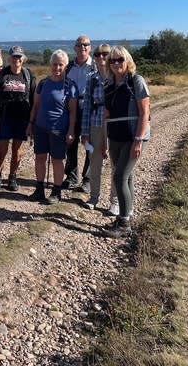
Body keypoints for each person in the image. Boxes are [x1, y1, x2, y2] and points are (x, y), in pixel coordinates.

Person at [102, 46, 150, 238]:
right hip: (115, 136)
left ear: (127, 61)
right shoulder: (108, 85)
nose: (115, 63)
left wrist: (138, 140)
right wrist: (105, 142)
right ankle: (126, 215)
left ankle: (124, 224)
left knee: (119, 177)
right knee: (126, 177)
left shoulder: (136, 81)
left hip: (133, 136)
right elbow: (106, 115)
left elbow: (145, 112)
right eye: (112, 60)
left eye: (119, 59)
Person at [26, 49, 78, 204]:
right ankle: (39, 189)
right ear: (50, 65)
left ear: (66, 65)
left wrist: (71, 131)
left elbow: (73, 112)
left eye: (61, 65)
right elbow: (35, 106)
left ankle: (56, 191)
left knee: (57, 160)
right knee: (40, 158)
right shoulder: (43, 83)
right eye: (55, 64)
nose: (57, 68)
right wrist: (30, 124)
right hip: (40, 127)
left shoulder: (70, 85)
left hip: (59, 128)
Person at [0, 46, 36, 192]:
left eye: (19, 57)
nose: (17, 59)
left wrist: (31, 122)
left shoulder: (28, 75)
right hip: (4, 118)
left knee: (18, 149)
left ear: (23, 59)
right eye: (14, 56)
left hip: (22, 118)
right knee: (2, 149)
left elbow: (34, 100)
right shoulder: (2, 75)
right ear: (9, 58)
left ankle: (12, 177)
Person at [81, 44, 118, 212]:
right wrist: (85, 132)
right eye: (97, 55)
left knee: (116, 164)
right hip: (96, 123)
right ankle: (94, 197)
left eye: (105, 54)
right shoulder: (92, 79)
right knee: (95, 164)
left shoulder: (117, 78)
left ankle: (115, 201)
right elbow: (87, 107)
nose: (101, 58)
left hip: (114, 125)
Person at [64, 35, 96, 192]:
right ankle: (71, 177)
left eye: (86, 45)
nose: (82, 47)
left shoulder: (95, 66)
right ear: (75, 48)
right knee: (70, 142)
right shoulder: (68, 67)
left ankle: (88, 180)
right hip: (71, 106)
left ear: (90, 48)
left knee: (90, 143)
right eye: (79, 45)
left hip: (90, 106)